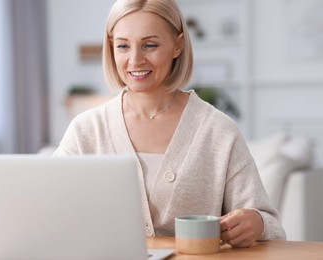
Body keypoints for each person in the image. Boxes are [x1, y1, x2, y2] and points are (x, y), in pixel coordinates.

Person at [53, 0, 286, 248]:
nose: (135, 60)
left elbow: (271, 226)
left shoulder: (218, 130)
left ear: (178, 45)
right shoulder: (86, 130)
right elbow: (47, 206)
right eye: (122, 46)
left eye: (150, 45)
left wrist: (256, 222)